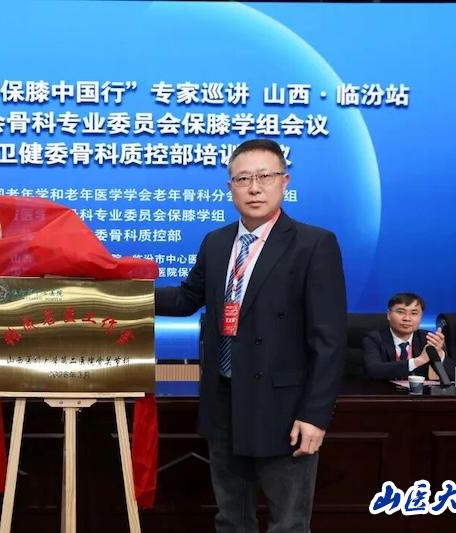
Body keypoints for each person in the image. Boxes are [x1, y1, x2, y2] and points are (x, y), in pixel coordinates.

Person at [155, 139, 347, 532]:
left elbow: (329, 341)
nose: (254, 188)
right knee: (230, 519)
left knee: (288, 525)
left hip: (283, 409)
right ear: (230, 187)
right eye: (243, 179)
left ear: (284, 181)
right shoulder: (217, 242)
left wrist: (314, 416)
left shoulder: (314, 244)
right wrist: (119, 291)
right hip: (224, 402)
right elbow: (185, 298)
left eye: (265, 177)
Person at [362, 292, 454, 381]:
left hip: (418, 391)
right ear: (389, 315)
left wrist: (439, 355)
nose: (407, 318)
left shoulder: (427, 339)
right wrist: (419, 360)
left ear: (421, 317)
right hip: (384, 391)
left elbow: (453, 375)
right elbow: (373, 370)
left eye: (414, 313)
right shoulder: (373, 339)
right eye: (401, 312)